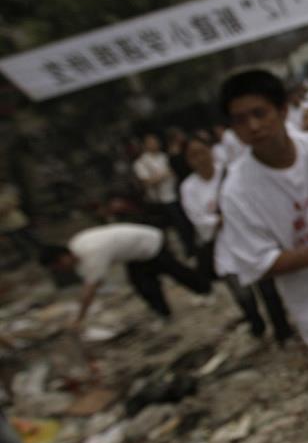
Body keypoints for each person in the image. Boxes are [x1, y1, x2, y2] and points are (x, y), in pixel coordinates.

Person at [215, 69, 308, 435]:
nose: (252, 126)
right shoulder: (237, 191)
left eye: (259, 113)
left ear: (282, 110)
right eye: (239, 120)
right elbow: (258, 263)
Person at [39, 222, 210, 341]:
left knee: (174, 271)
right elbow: (87, 280)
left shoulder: (92, 252)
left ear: (62, 257)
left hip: (149, 242)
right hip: (133, 253)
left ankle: (205, 291)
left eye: (58, 266)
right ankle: (164, 313)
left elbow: (91, 288)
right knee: (144, 285)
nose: (62, 270)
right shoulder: (77, 246)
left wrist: (79, 318)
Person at [178, 135, 270, 338]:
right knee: (241, 291)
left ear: (210, 151)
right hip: (222, 243)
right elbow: (198, 218)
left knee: (266, 283)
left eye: (202, 152)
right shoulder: (188, 188)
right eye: (194, 155)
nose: (200, 158)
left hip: (247, 235)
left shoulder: (232, 172)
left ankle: (282, 330)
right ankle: (257, 326)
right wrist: (220, 219)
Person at [132, 133, 196, 257]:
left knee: (186, 222)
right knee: (176, 226)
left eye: (155, 141)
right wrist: (164, 175)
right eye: (150, 142)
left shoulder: (164, 156)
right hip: (163, 199)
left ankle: (192, 247)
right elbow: (146, 181)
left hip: (177, 193)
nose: (154, 144)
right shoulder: (142, 163)